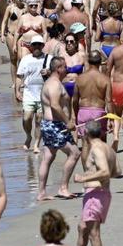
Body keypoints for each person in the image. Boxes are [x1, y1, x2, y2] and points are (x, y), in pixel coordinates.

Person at [73, 122, 115, 246]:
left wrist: (84, 177)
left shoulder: (97, 149)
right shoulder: (107, 148)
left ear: (86, 134)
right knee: (82, 227)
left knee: (93, 233)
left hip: (95, 194)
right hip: (101, 193)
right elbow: (116, 171)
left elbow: (104, 172)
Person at [38, 57, 79, 200]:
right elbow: (55, 105)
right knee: (74, 153)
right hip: (54, 125)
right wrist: (68, 122)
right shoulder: (54, 84)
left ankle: (41, 193)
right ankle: (63, 188)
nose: (67, 68)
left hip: (51, 125)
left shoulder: (53, 82)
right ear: (58, 68)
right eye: (65, 66)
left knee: (48, 157)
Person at [15, 33, 49, 152]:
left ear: (43, 46)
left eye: (39, 45)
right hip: (28, 94)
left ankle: (36, 144)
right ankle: (28, 136)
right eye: (34, 45)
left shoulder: (48, 58)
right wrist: (17, 91)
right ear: (31, 46)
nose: (37, 47)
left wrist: (49, 72)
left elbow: (57, 74)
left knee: (39, 120)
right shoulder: (25, 59)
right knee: (27, 118)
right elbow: (19, 76)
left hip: (43, 95)